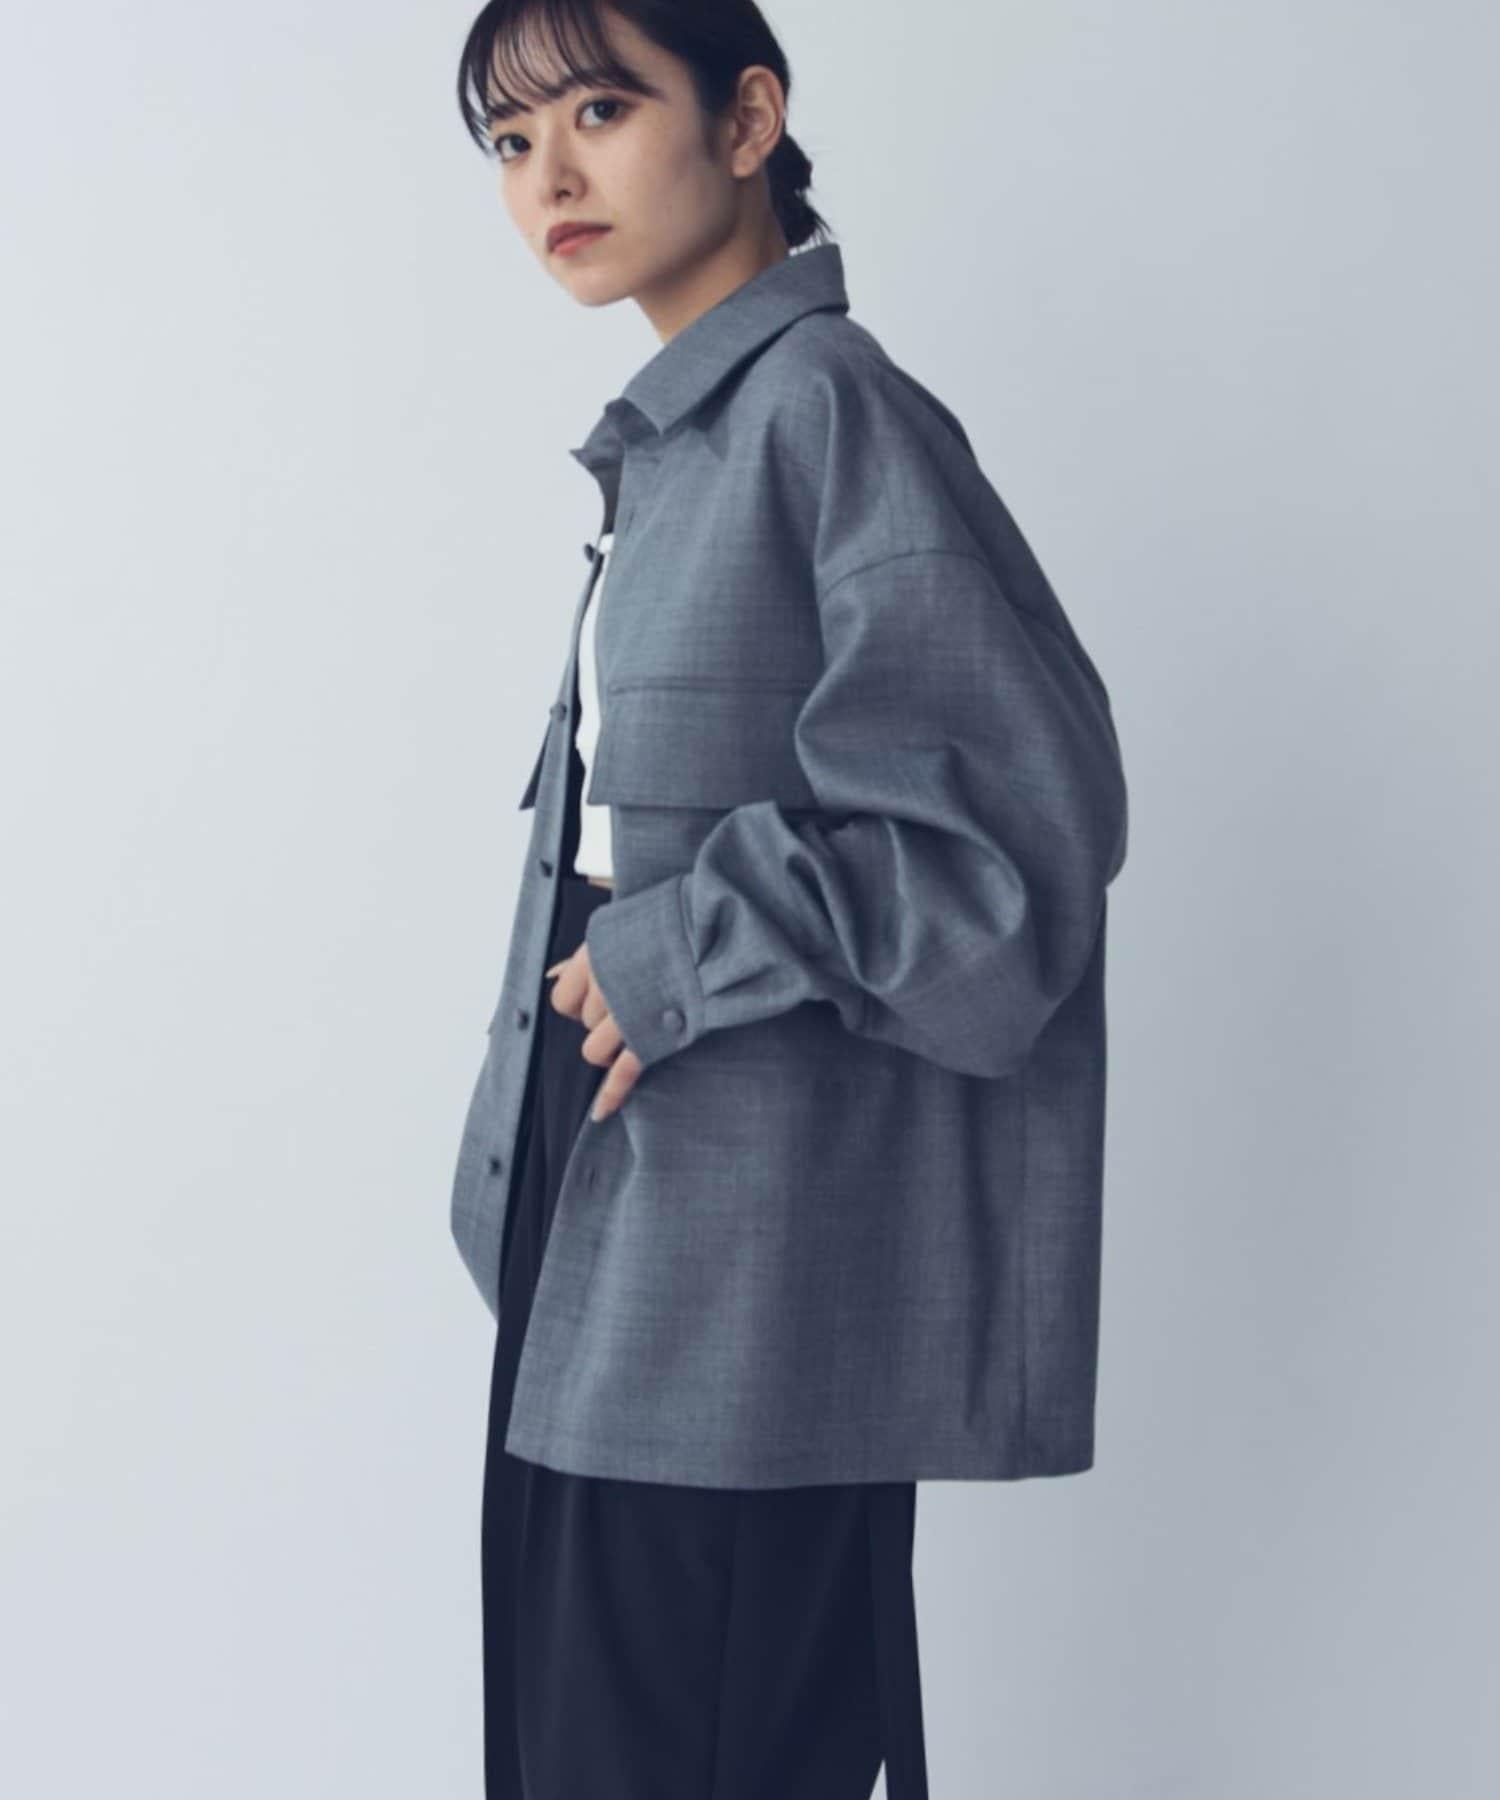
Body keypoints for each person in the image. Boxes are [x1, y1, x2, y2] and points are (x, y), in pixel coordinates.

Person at [451, 4, 1130, 1797]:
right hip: (614, 1215)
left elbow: (1012, 847)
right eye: (511, 141)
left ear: (749, 120)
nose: (551, 176)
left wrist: (680, 943)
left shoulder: (829, 412)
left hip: (746, 1283)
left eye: (602, 110)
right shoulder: (679, 445)